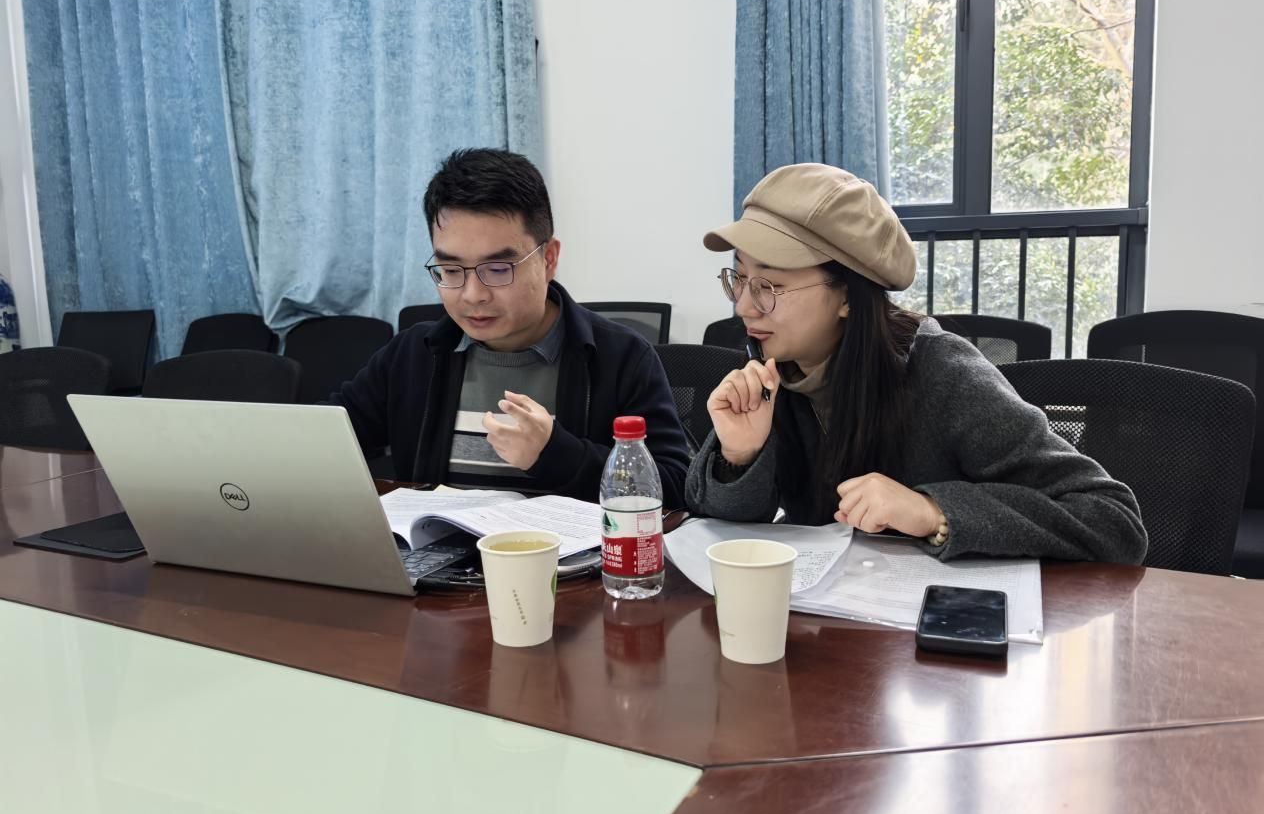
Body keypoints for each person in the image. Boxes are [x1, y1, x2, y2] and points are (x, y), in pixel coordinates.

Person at [685, 162, 1147, 564]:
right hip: (826, 621)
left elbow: (1113, 520)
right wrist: (739, 457)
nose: (743, 306)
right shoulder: (772, 369)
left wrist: (934, 512)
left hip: (937, 627)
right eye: (739, 278)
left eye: (769, 286)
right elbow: (725, 532)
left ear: (847, 296)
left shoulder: (943, 372)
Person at [330, 148, 691, 505]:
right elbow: (326, 442)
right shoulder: (412, 355)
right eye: (451, 271)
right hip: (431, 545)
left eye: (498, 269)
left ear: (549, 260)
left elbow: (674, 488)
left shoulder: (621, 357)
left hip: (562, 546)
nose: (473, 295)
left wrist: (556, 453)